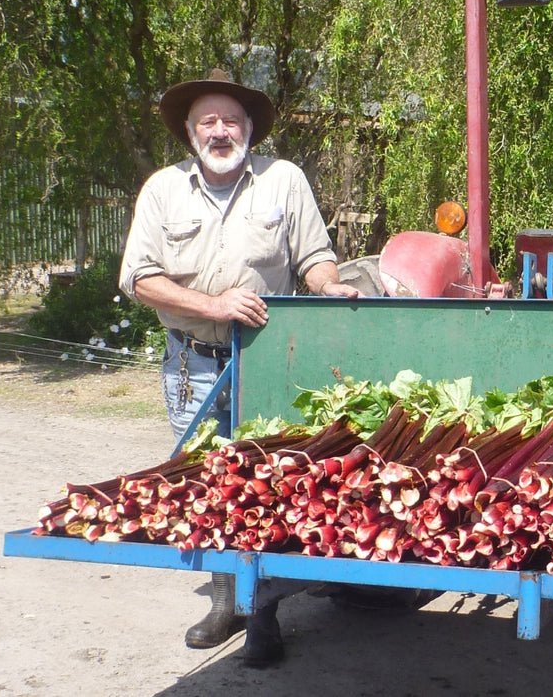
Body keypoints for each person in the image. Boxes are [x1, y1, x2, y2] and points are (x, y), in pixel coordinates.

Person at [119, 67, 358, 668]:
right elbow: (139, 279)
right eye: (208, 121)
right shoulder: (162, 190)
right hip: (191, 363)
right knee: (209, 482)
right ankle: (226, 602)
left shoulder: (284, 179)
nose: (220, 130)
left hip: (267, 362)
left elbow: (315, 257)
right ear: (190, 132)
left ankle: (266, 613)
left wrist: (328, 286)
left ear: (249, 127)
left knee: (269, 480)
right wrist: (214, 305)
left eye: (231, 119)